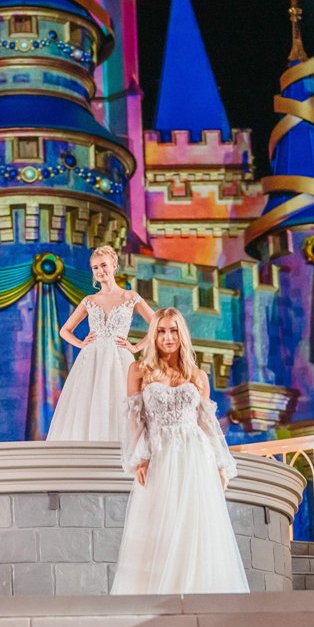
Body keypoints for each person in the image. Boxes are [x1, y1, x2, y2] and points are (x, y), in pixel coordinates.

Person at [111, 308, 249, 594]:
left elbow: (207, 423)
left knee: (195, 525)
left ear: (182, 334)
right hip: (160, 453)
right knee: (161, 523)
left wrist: (221, 464)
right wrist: (141, 457)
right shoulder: (139, 370)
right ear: (153, 334)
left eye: (173, 330)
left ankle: (197, 593)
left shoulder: (197, 376)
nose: (167, 337)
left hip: (195, 455)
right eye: (161, 331)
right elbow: (135, 418)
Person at [46, 245, 154, 441]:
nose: (100, 271)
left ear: (114, 265)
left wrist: (136, 347)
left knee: (121, 400)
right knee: (89, 403)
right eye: (95, 268)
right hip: (92, 360)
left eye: (103, 265)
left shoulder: (130, 297)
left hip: (120, 358)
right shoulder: (90, 300)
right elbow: (64, 330)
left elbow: (157, 324)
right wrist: (81, 344)